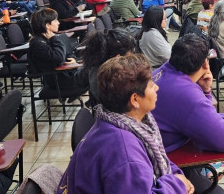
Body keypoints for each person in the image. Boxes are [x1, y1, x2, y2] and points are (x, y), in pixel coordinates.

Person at [57, 54, 194, 194]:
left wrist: (177, 175)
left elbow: (159, 158)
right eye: (151, 85)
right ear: (135, 99)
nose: (157, 88)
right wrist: (177, 184)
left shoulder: (112, 120)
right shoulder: (125, 153)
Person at [152, 34, 224, 194]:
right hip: (164, 166)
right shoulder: (187, 95)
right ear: (205, 62)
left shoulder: (164, 69)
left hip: (158, 153)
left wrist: (205, 91)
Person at [28, 8, 88, 101]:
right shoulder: (38, 43)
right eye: (55, 20)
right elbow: (58, 57)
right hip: (59, 80)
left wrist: (73, 59)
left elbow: (68, 52)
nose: (58, 23)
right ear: (47, 25)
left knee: (95, 71)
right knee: (95, 74)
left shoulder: (48, 38)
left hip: (66, 74)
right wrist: (54, 39)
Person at [82, 28, 137, 105]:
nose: (132, 57)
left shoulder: (100, 67)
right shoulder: (109, 80)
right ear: (118, 57)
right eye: (130, 54)